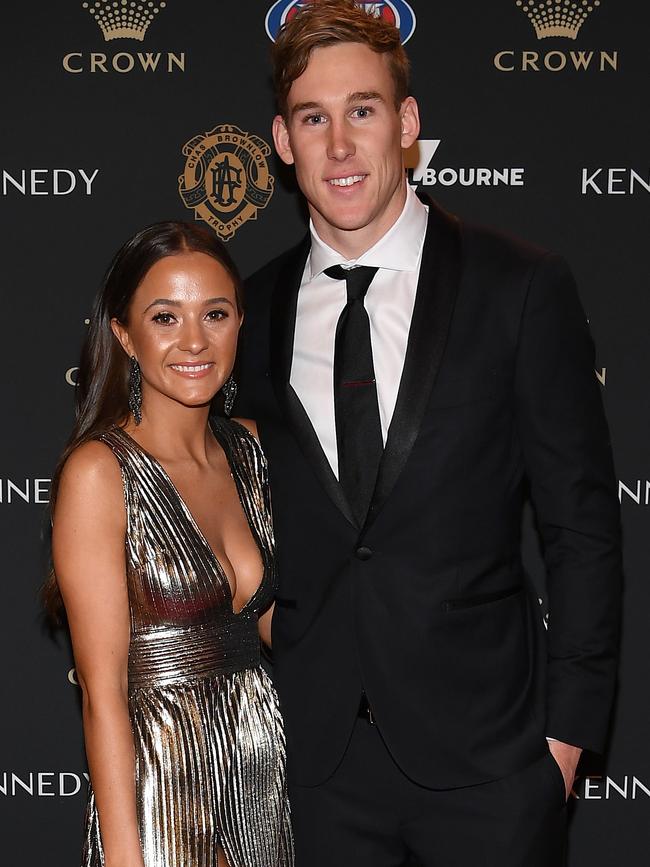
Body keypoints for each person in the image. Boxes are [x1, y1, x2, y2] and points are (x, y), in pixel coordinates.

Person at [237, 2, 622, 865]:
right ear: (282, 139)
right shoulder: (249, 311)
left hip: (491, 765)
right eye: (313, 117)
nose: (339, 145)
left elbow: (582, 526)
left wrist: (564, 745)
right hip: (316, 770)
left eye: (362, 110)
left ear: (406, 124)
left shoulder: (518, 286)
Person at [45, 222, 294, 867]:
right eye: (165, 317)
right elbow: (102, 698)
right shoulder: (100, 473)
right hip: (163, 800)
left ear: (240, 323)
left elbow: (283, 629)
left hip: (267, 790)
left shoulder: (250, 450)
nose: (194, 341)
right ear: (124, 335)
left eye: (215, 314)